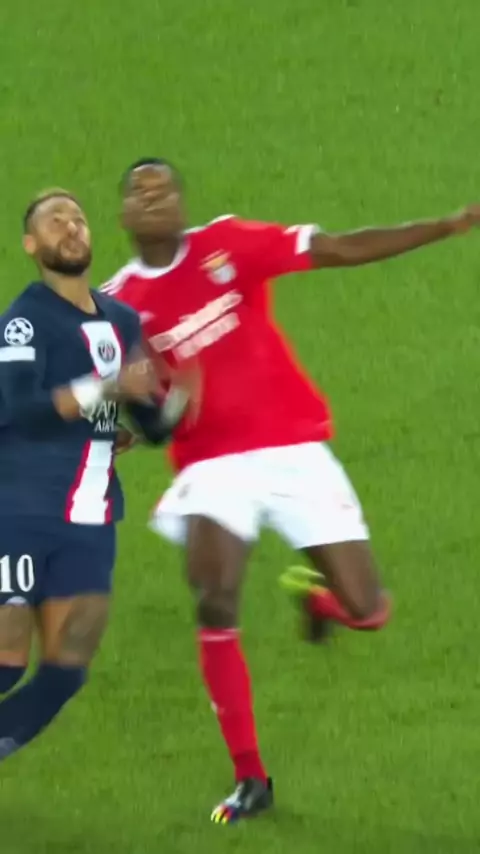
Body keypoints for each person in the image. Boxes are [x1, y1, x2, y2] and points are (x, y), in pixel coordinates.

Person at [102, 158, 480, 823]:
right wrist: (118, 434)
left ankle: (320, 601)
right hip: (212, 466)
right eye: (141, 191)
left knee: (370, 608)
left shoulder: (228, 243)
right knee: (215, 594)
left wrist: (446, 225)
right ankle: (250, 777)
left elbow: (336, 248)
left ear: (183, 203)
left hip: (293, 450)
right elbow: (123, 398)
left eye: (165, 190)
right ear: (125, 213)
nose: (154, 199)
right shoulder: (117, 305)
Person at [0, 188, 190, 761]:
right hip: (20, 510)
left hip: (90, 518)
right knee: (6, 659)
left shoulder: (122, 320)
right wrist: (106, 389)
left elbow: (149, 419)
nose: (70, 227)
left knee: (67, 667)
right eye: (55, 221)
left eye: (78, 218)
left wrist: (177, 404)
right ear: (31, 244)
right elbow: (22, 409)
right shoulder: (23, 322)